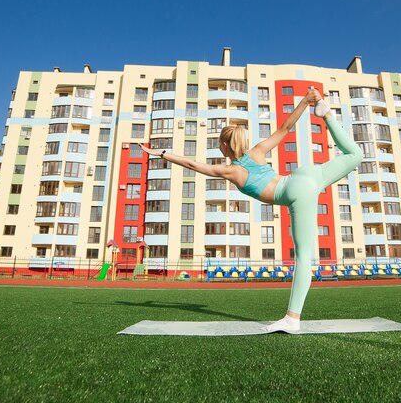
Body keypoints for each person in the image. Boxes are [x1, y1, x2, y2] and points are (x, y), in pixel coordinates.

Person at [139, 87, 362, 331]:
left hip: (295, 192)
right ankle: (326, 113)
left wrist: (161, 153)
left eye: (219, 145)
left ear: (225, 145)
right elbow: (285, 129)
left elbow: (193, 164)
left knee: (303, 257)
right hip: (304, 175)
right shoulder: (257, 151)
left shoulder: (231, 170)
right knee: (355, 155)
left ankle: (292, 319)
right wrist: (305, 101)